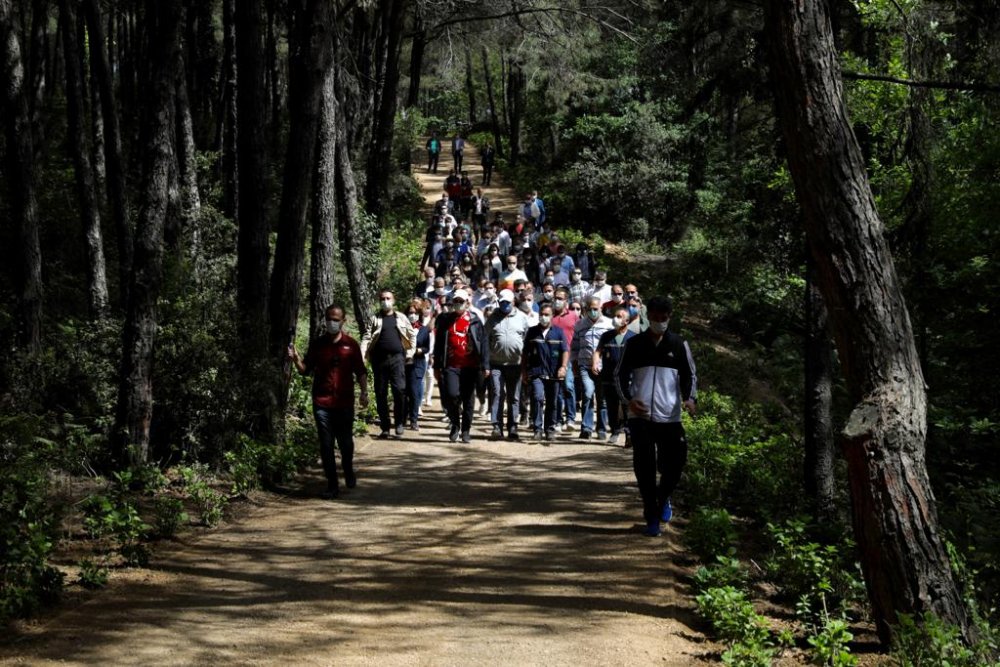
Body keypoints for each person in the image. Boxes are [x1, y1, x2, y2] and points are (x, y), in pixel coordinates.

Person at [615, 296, 698, 537]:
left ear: (670, 317)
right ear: (647, 316)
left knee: (675, 463)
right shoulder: (635, 344)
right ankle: (651, 514)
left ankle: (663, 498)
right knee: (645, 466)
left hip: (670, 416)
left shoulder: (678, 344)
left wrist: (690, 399)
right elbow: (620, 374)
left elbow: (690, 375)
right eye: (655, 317)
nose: (659, 321)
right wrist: (628, 400)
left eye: (664, 318)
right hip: (640, 416)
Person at [289, 305, 368, 499]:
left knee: (345, 442)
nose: (332, 322)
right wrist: (296, 359)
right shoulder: (318, 345)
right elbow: (305, 370)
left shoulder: (351, 345)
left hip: (344, 402)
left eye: (336, 319)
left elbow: (360, 371)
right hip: (322, 402)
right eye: (329, 319)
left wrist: (364, 392)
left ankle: (348, 468)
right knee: (326, 444)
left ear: (343, 321)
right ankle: (332, 485)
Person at [433, 289, 490, 443]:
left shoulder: (475, 320)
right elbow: (439, 345)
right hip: (451, 365)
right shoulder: (445, 320)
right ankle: (455, 424)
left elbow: (483, 343)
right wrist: (436, 366)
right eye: (455, 301)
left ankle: (465, 430)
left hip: (471, 366)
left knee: (468, 400)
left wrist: (485, 365)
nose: (458, 304)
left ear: (467, 303)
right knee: (451, 395)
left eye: (461, 301)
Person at [361, 290, 417, 439]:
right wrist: (363, 355)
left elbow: (411, 335)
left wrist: (410, 353)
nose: (385, 301)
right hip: (379, 360)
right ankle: (385, 427)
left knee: (399, 390)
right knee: (381, 393)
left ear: (393, 300)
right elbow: (367, 337)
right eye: (382, 298)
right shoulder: (374, 319)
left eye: (388, 298)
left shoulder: (401, 317)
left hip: (398, 359)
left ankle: (399, 423)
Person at [486, 289, 530, 441]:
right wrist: (485, 363)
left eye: (507, 302)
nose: (504, 305)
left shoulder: (522, 318)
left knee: (514, 396)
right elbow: (485, 339)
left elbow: (527, 340)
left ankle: (513, 426)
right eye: (502, 302)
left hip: (515, 364)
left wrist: (525, 364)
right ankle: (497, 426)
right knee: (497, 394)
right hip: (496, 364)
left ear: (513, 302)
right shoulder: (492, 318)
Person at [523, 302, 568, 441]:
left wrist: (563, 367)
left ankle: (550, 429)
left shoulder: (559, 332)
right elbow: (525, 353)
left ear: (552, 315)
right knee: (537, 397)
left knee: (552, 402)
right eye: (541, 314)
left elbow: (565, 351)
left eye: (547, 314)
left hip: (554, 373)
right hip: (536, 372)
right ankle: (537, 429)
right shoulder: (532, 332)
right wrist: (524, 371)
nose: (544, 317)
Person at [572, 296, 613, 439]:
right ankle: (586, 428)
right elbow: (574, 347)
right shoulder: (579, 325)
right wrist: (574, 364)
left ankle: (601, 428)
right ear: (586, 309)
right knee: (588, 393)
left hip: (603, 367)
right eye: (590, 309)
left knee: (602, 398)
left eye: (596, 309)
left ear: (601, 308)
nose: (593, 311)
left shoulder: (609, 324)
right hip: (585, 366)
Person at [595, 304, 635, 446]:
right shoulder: (606, 336)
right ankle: (615, 431)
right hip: (608, 377)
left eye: (619, 317)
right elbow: (598, 352)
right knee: (611, 406)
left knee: (627, 406)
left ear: (626, 321)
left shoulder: (633, 338)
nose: (615, 319)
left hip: (626, 380)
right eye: (615, 316)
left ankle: (629, 434)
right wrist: (595, 363)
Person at [551, 288, 579, 430]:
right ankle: (558, 420)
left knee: (568, 386)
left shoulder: (573, 316)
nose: (557, 301)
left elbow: (579, 335)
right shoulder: (549, 316)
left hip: (569, 357)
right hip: (553, 358)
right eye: (556, 298)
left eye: (560, 298)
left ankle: (570, 418)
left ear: (566, 301)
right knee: (557, 390)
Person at [404, 299, 433, 431]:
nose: (412, 315)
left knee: (414, 392)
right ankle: (402, 418)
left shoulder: (424, 330)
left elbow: (427, 347)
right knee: (403, 392)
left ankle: (414, 420)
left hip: (417, 364)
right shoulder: (401, 328)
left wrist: (419, 350)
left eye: (415, 313)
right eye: (410, 313)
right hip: (403, 364)